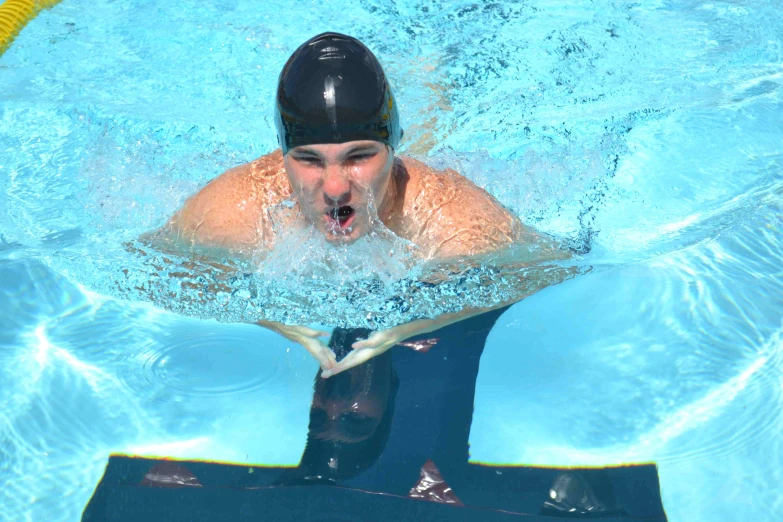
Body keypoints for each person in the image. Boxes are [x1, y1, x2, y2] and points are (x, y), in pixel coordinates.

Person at [158, 32, 572, 377]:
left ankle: (429, 58)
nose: (335, 188)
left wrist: (415, 325)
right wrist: (265, 318)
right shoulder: (233, 211)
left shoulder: (456, 221)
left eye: (359, 156)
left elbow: (548, 268)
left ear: (392, 149)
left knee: (435, 123)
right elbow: (148, 269)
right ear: (282, 155)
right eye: (308, 159)